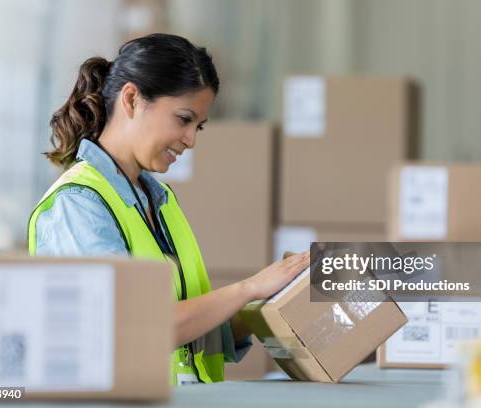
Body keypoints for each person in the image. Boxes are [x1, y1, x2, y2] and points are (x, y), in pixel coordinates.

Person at [27, 33, 309, 386]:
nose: (191, 140)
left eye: (199, 126)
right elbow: (128, 329)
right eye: (183, 119)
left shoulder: (160, 200)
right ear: (132, 99)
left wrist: (268, 297)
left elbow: (192, 334)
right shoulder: (77, 204)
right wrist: (248, 288)